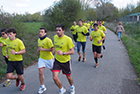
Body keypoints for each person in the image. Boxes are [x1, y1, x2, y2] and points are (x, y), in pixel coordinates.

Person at [52, 23, 75, 94]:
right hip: (57, 61)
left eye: (59, 30)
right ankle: (61, 89)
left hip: (66, 61)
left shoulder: (68, 39)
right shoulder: (55, 37)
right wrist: (53, 50)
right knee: (55, 77)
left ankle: (72, 86)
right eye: (57, 30)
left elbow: (72, 52)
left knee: (68, 77)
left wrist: (63, 53)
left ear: (63, 31)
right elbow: (55, 46)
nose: (57, 32)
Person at [37, 28, 54, 94]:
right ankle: (42, 86)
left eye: (42, 32)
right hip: (42, 58)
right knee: (40, 72)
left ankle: (55, 78)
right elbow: (40, 47)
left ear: (45, 33)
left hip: (49, 59)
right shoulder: (39, 39)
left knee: (53, 71)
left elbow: (52, 49)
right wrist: (39, 50)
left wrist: (43, 49)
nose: (40, 33)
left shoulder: (48, 40)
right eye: (40, 32)